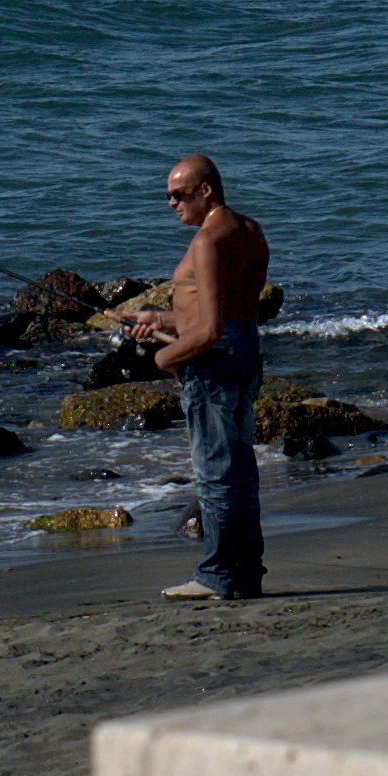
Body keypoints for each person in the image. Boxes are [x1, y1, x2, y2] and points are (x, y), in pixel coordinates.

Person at [127, 154, 270, 600]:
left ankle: (217, 576)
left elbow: (208, 331)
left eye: (177, 193)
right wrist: (160, 317)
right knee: (241, 469)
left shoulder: (207, 242)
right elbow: (229, 313)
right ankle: (246, 574)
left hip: (216, 359)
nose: (170, 203)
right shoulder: (250, 232)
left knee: (215, 473)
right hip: (246, 348)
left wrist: (164, 359)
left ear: (205, 190)